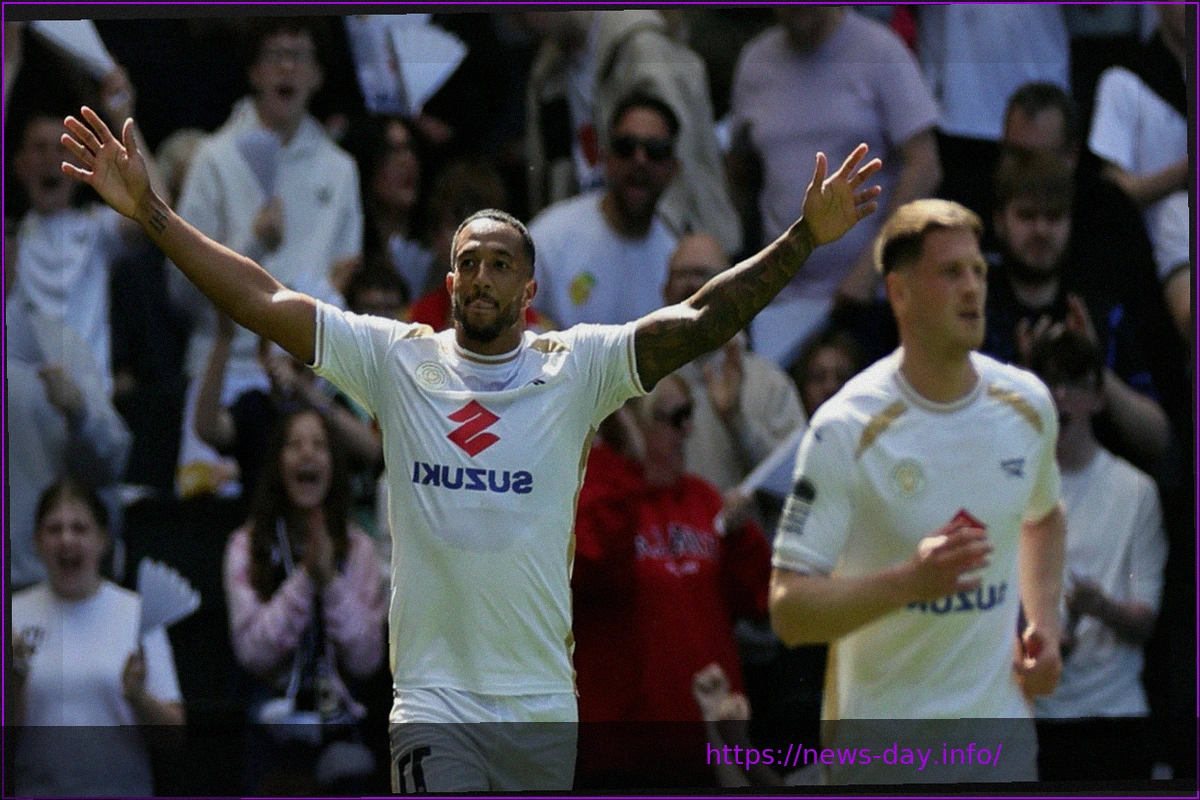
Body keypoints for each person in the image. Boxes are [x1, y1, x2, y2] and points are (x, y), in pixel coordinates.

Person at [61, 101, 881, 791]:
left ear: (530, 290)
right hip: (433, 701)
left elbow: (701, 319)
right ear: (448, 284)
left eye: (500, 264)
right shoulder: (397, 359)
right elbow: (265, 298)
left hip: (539, 704)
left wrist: (804, 239)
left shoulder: (577, 368)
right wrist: (155, 215)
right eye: (467, 264)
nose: (482, 276)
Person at [769, 199, 1065, 784]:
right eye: (950, 272)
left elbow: (1043, 518)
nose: (972, 288)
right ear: (899, 293)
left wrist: (1045, 629)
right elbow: (788, 611)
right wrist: (909, 582)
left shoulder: (1028, 406)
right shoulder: (845, 428)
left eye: (978, 270)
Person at [168, 17, 363, 499]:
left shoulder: (340, 171)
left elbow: (341, 283)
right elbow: (180, 293)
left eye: (299, 56)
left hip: (302, 379)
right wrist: (251, 245)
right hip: (220, 371)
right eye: (276, 55)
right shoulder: (214, 158)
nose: (287, 68)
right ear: (254, 72)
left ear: (317, 75)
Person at [572, 375, 770, 787]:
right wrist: (626, 461)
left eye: (690, 414)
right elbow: (593, 566)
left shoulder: (703, 498)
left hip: (714, 749)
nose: (689, 429)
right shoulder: (592, 497)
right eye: (676, 417)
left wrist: (742, 541)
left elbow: (760, 602)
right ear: (636, 422)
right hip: (626, 757)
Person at [729, 6, 941, 367]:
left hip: (866, 303)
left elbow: (924, 167)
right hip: (779, 303)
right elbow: (741, 171)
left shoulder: (880, 53)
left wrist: (871, 268)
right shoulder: (755, 63)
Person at [1027, 329, 1167, 782]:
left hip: (1114, 713)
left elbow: (1145, 621)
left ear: (1097, 397)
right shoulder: (1015, 487)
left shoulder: (1135, 491)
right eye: (1050, 383)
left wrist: (1099, 607)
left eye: (1074, 383)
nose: (1062, 394)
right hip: (1032, 715)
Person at [223, 406, 386, 793]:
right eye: (295, 445)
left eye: (319, 446)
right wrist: (305, 580)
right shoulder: (245, 547)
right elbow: (253, 652)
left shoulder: (360, 549)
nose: (307, 455)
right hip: (271, 729)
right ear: (278, 464)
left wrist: (330, 581)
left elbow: (367, 658)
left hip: (340, 728)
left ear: (334, 465)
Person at [983, 149, 1173, 473]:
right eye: (1027, 216)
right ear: (1000, 221)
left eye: (1054, 217)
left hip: (1094, 488)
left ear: (1071, 223)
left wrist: (1094, 366)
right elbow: (952, 438)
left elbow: (1159, 442)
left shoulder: (1100, 310)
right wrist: (1025, 379)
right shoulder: (975, 309)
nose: (1041, 230)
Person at [10, 478, 185, 796]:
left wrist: (138, 697)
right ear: (37, 541)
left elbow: (174, 735)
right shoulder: (13, 618)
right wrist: (15, 679)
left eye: (79, 528)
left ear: (103, 539)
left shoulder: (138, 614)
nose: (66, 540)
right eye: (54, 529)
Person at [522, 9, 740, 255]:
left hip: (667, 246)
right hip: (592, 242)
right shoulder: (549, 69)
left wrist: (671, 255)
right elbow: (553, 170)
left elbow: (676, 168)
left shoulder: (644, 48)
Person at [661, 232, 805, 491]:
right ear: (664, 291)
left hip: (745, 530)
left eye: (705, 276)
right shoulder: (639, 380)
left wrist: (736, 421)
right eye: (681, 275)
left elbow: (799, 482)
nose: (693, 284)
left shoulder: (769, 383)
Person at [529, 91, 680, 329]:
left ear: (674, 168)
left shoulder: (675, 257)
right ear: (605, 157)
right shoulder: (550, 238)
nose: (640, 160)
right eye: (626, 147)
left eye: (656, 150)